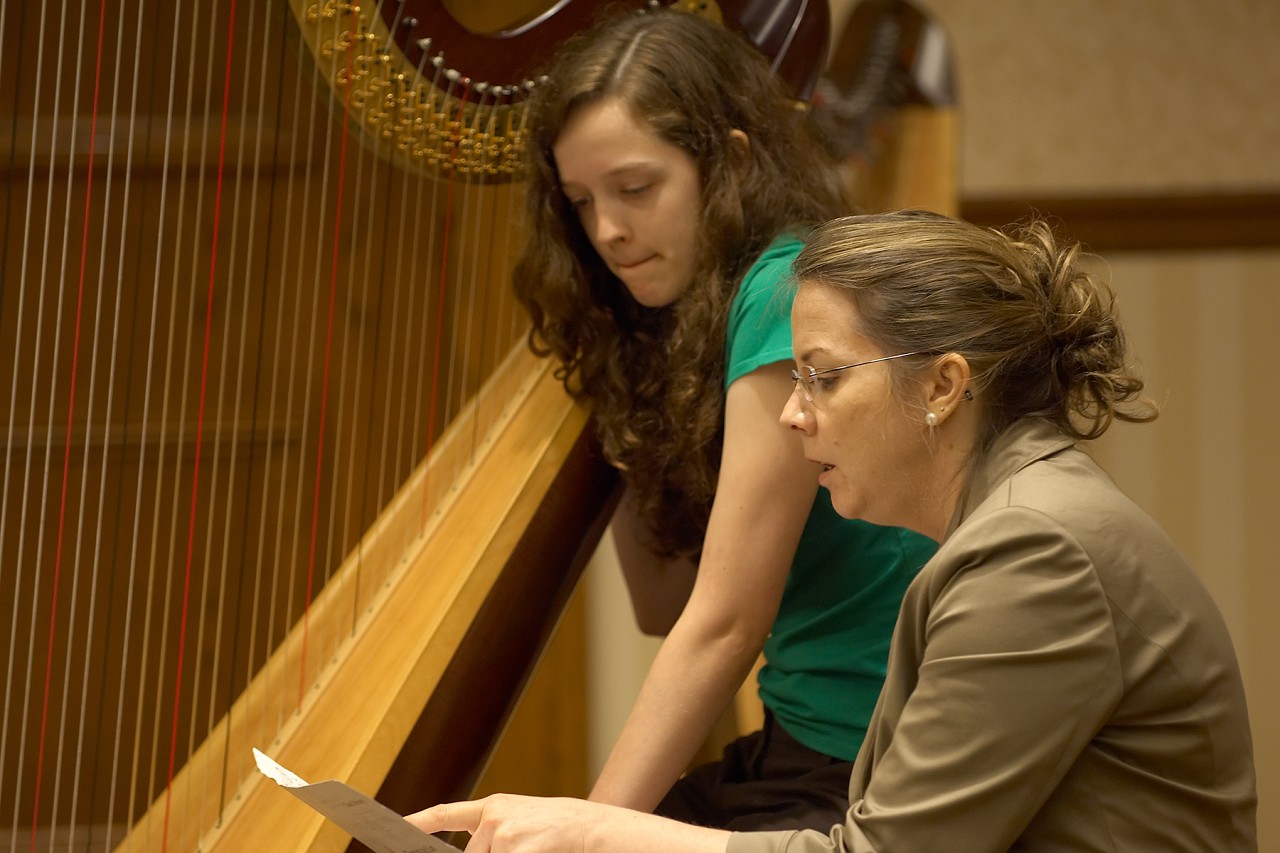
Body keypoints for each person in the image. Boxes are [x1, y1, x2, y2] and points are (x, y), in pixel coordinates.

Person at [408, 210, 1257, 851]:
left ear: (943, 385)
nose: (791, 413)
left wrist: (594, 829)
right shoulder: (1010, 522)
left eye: (822, 377)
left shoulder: (1034, 553)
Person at [507, 7, 936, 832]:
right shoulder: (685, 320)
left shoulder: (786, 293)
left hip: (871, 763)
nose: (607, 230)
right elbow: (663, 603)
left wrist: (587, 831)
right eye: (581, 201)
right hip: (798, 741)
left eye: (636, 189)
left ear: (731, 165)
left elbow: (725, 622)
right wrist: (617, 370)